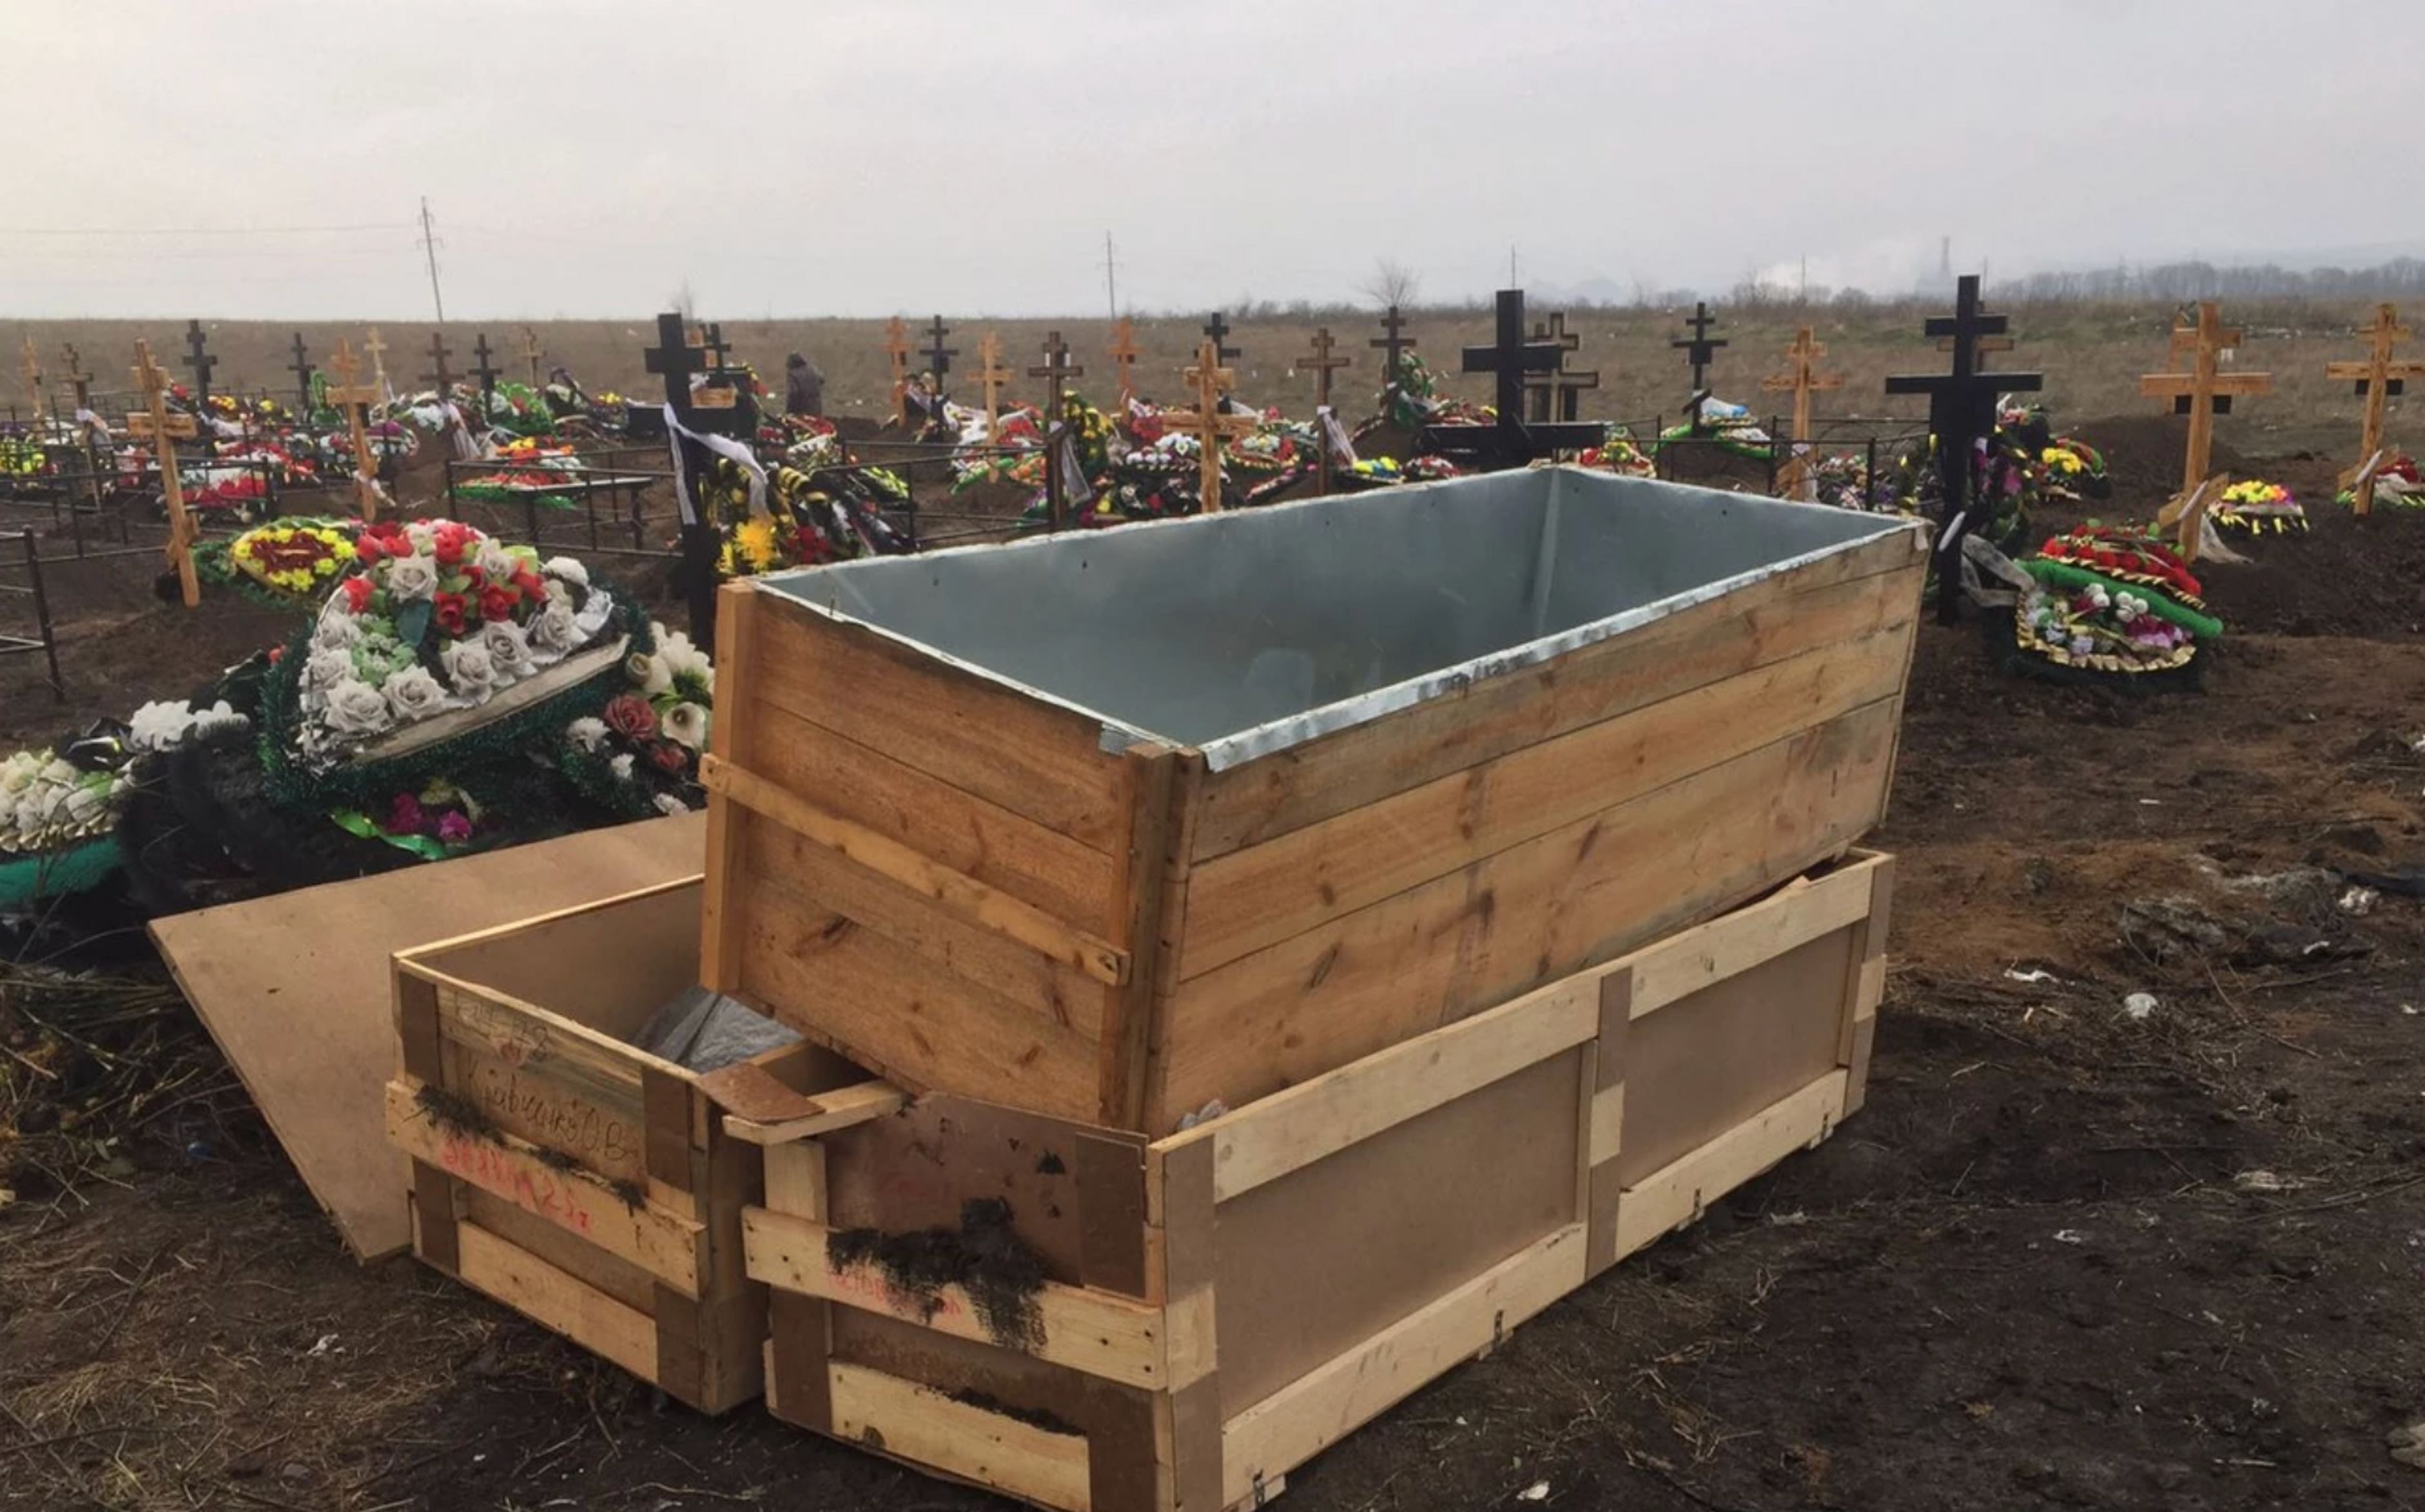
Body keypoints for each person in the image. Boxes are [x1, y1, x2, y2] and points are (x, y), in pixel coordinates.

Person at [785, 352, 824, 418]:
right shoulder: (813, 369)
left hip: (802, 409)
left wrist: (789, 411)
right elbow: (822, 380)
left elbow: (793, 393)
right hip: (816, 406)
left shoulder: (792, 374)